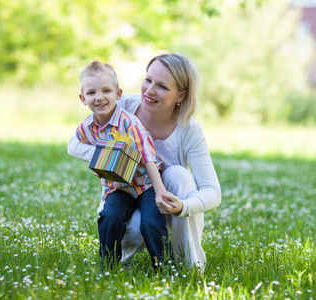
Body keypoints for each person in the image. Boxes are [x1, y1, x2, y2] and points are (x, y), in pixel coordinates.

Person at [68, 52, 221, 270]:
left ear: (180, 95)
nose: (149, 90)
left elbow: (213, 192)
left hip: (162, 194)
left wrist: (182, 206)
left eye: (162, 86)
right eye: (148, 80)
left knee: (178, 175)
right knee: (115, 218)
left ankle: (185, 266)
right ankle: (114, 266)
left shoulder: (190, 130)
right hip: (125, 189)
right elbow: (74, 144)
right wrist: (109, 159)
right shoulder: (121, 106)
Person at [74, 60, 174, 268]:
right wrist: (98, 165)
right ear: (83, 99)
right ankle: (109, 266)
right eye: (91, 93)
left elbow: (147, 157)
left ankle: (166, 268)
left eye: (106, 91)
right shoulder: (87, 128)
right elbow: (78, 145)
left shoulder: (130, 123)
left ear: (118, 94)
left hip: (146, 184)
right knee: (109, 217)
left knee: (151, 223)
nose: (99, 97)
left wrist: (159, 191)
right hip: (119, 187)